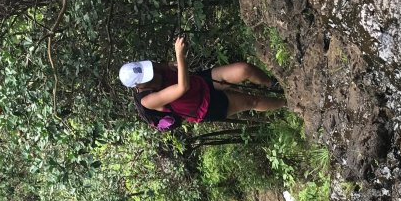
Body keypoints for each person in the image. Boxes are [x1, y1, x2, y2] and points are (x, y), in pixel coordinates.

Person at [119, 36, 285, 128]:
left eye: (149, 69)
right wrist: (180, 56)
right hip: (203, 107)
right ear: (138, 85)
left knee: (244, 69)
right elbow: (182, 87)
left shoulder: (149, 68)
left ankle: (273, 84)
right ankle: (287, 102)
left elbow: (169, 66)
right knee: (251, 101)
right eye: (148, 76)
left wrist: (173, 64)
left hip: (201, 82)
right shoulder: (148, 100)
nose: (153, 72)